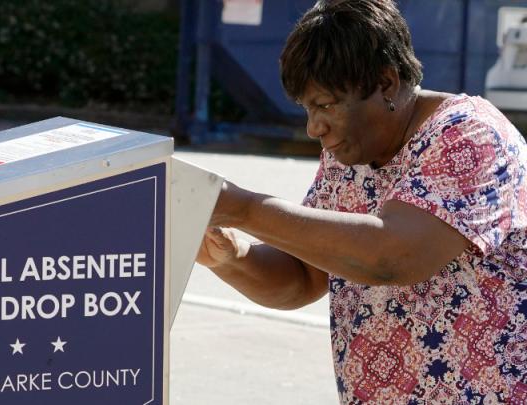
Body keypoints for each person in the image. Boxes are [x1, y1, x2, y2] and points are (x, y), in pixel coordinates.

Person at [197, 0, 527, 403]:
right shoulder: (350, 155)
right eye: (306, 107)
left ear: (385, 83)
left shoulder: (469, 135)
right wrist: (233, 256)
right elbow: (304, 277)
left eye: (325, 105)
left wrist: (246, 208)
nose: (313, 127)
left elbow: (392, 257)